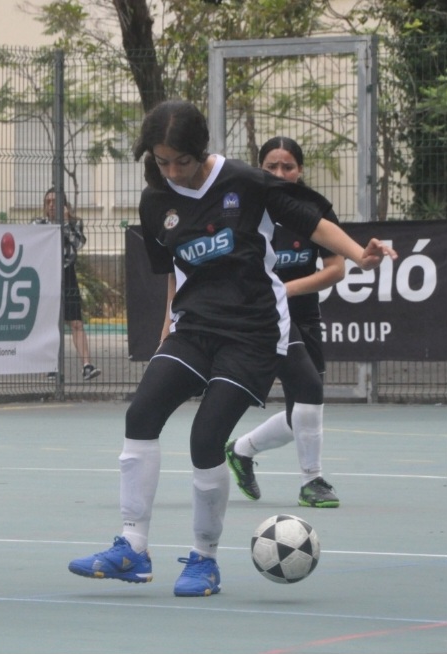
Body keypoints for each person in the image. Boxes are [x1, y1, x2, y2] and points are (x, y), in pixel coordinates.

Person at [67, 100, 396, 597]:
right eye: (162, 161)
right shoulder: (156, 201)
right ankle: (132, 547)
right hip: (194, 327)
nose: (173, 170)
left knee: (205, 438)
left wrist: (359, 254)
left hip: (253, 332)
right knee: (142, 414)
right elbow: (176, 271)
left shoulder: (245, 181)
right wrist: (165, 327)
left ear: (203, 152)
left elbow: (310, 222)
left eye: (181, 160)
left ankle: (204, 560)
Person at [226, 136, 344, 508]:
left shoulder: (313, 209)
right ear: (259, 169)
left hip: (303, 315)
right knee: (309, 390)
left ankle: (241, 450)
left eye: (287, 167)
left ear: (300, 170)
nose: (279, 173)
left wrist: (287, 289)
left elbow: (336, 269)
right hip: (263, 317)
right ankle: (313, 482)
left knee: (303, 414)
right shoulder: (245, 209)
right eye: (271, 167)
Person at [33, 187, 101, 381]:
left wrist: (63, 225)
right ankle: (51, 366)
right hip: (46, 274)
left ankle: (87, 365)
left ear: (64, 205)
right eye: (48, 202)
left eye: (55, 202)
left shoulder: (74, 223)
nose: (51, 206)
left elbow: (78, 243)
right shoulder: (38, 224)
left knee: (76, 322)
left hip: (67, 273)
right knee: (50, 323)